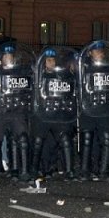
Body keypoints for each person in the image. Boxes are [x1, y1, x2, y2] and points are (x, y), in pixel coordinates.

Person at [78, 41, 109, 180]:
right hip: (88, 108)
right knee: (87, 139)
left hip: (105, 108)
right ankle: (85, 170)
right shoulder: (83, 67)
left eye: (101, 51)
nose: (99, 53)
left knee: (106, 138)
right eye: (96, 51)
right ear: (90, 53)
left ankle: (103, 170)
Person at [0, 43, 35, 181]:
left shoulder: (20, 71)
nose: (8, 59)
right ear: (0, 59)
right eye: (5, 57)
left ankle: (23, 171)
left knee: (22, 138)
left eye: (10, 57)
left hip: (16, 111)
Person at [32, 47, 78, 179]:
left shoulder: (63, 76)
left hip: (58, 114)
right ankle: (35, 169)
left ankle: (69, 170)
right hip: (42, 115)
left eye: (53, 60)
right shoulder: (38, 77)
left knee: (65, 138)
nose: (51, 63)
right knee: (38, 140)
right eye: (48, 60)